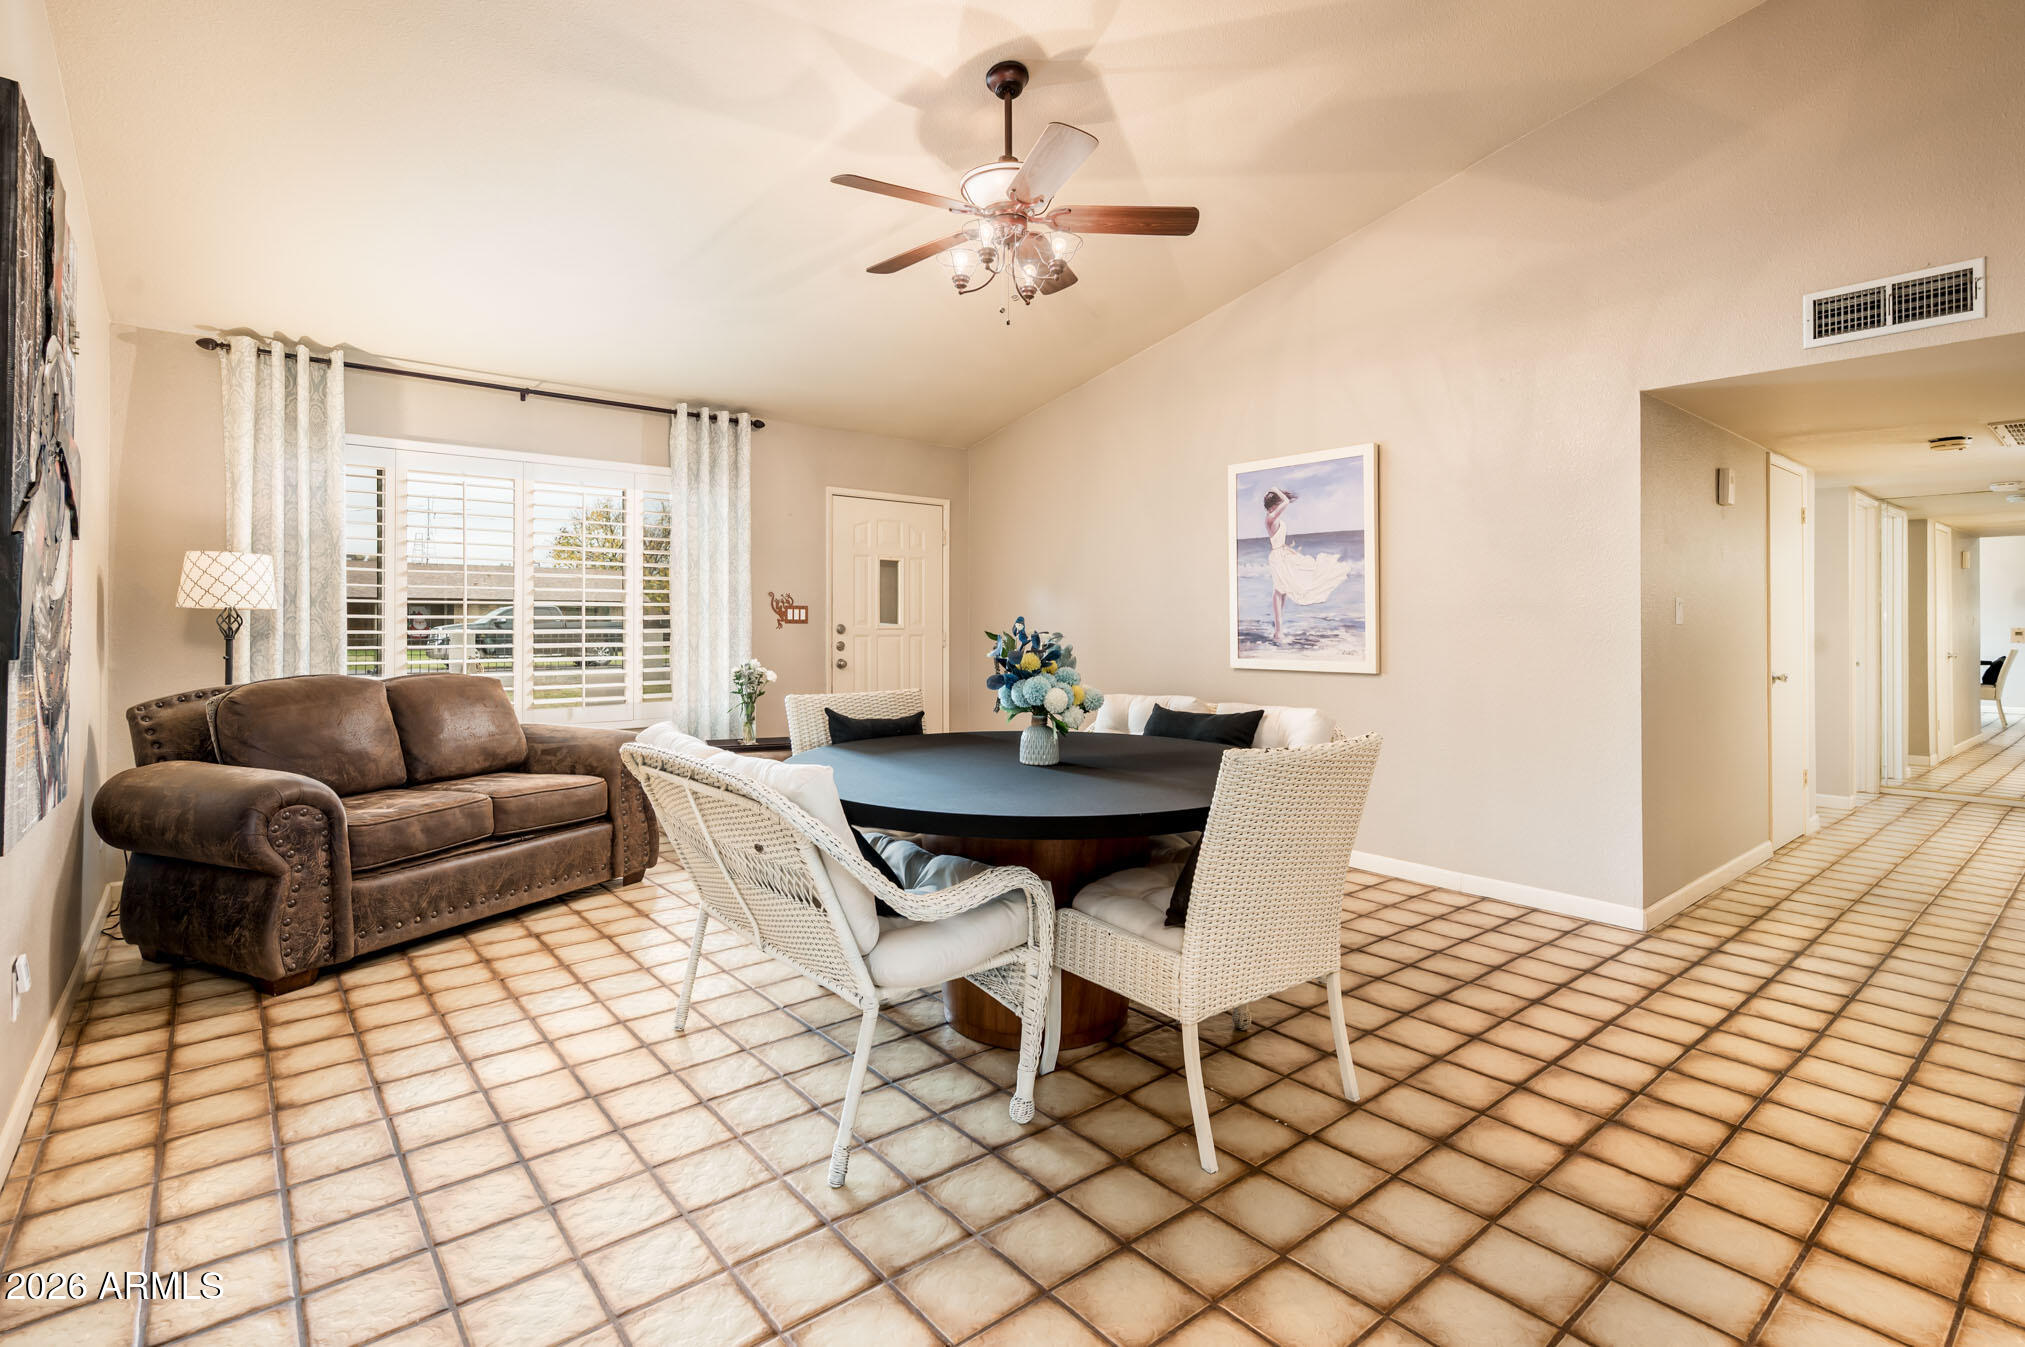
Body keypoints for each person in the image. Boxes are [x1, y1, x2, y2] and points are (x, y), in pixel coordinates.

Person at [1263, 488, 1352, 644]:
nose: (1279, 506)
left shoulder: (1273, 517)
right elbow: (1286, 501)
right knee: (1279, 590)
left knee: (1282, 590)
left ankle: (1278, 630)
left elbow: (1278, 541)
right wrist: (1276, 489)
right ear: (1273, 505)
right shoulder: (1271, 517)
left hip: (1282, 553)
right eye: (1276, 503)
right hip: (1278, 557)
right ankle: (1278, 631)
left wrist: (1289, 550)